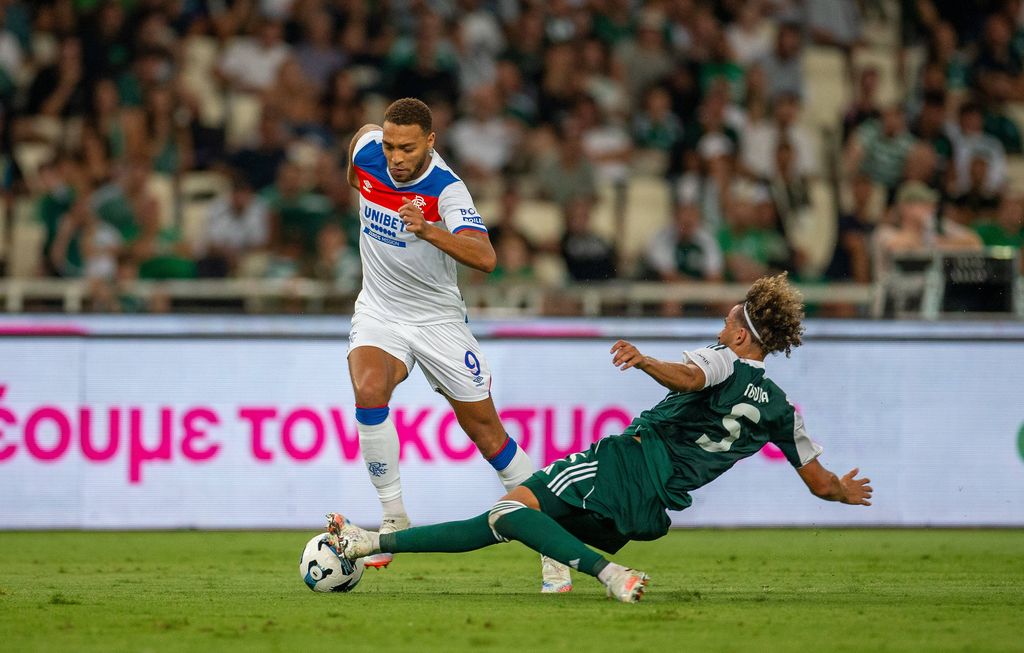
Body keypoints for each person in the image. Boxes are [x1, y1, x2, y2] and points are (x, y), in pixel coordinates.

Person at [325, 273, 873, 603]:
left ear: (739, 329)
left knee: (508, 515)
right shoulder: (782, 410)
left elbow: (692, 376)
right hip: (652, 511)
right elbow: (820, 483)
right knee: (506, 521)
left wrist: (645, 361)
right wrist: (843, 492)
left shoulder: (723, 358)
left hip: (625, 464)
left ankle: (606, 574)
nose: (720, 325)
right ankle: (371, 542)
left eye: (727, 317)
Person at [344, 98, 571, 592]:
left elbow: (486, 257)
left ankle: (554, 547)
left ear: (431, 142)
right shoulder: (366, 152)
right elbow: (359, 144)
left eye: (406, 147)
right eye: (389, 145)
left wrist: (427, 229)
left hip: (438, 321)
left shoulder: (448, 190)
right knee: (367, 388)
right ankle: (393, 517)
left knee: (489, 437)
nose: (395, 157)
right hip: (380, 312)